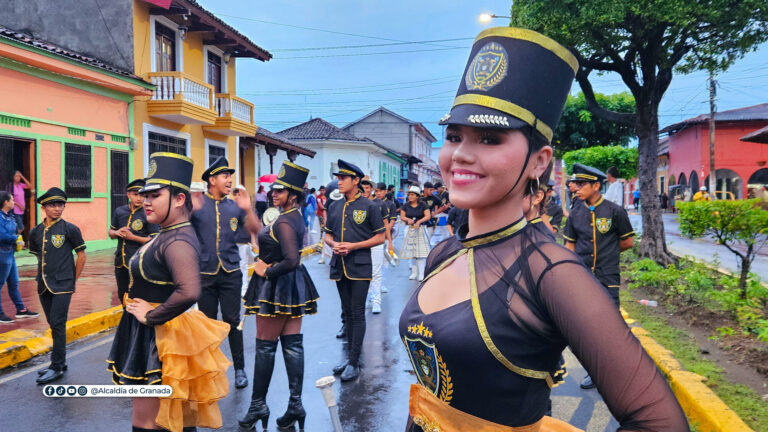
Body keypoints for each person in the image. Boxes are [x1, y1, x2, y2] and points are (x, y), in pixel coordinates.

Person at [400, 27, 688, 431]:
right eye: (453, 136)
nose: (461, 154)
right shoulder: (445, 253)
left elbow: (660, 422)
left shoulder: (551, 272)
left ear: (539, 161)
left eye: (489, 138)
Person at [107, 153, 231, 432]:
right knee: (172, 419)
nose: (146, 201)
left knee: (148, 423)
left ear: (178, 199)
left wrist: (152, 316)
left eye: (155, 195)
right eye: (145, 195)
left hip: (161, 338)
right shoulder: (167, 231)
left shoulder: (177, 240)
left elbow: (189, 291)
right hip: (156, 334)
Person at [240, 161, 319, 431]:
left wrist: (265, 271)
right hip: (291, 287)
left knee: (265, 346)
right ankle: (295, 406)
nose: (275, 193)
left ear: (293, 194)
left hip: (277, 286)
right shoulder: (294, 216)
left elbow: (292, 259)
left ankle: (257, 405)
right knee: (292, 345)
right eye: (274, 189)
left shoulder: (285, 220)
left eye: (281, 190)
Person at [563, 163, 636, 390]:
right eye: (577, 184)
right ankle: (595, 372)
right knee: (589, 328)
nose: (577, 188)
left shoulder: (615, 211)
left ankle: (620, 369)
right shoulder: (576, 214)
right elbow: (570, 246)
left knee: (612, 325)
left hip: (608, 277)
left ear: (596, 185)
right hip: (584, 279)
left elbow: (627, 242)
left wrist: (608, 255)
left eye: (582, 184)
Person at [190, 156, 261, 390]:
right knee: (208, 324)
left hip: (230, 271)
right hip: (205, 272)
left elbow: (254, 229)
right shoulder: (197, 205)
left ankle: (239, 369)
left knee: (232, 321)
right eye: (225, 176)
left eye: (230, 175)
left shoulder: (234, 206)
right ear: (212, 180)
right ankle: (210, 369)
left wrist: (248, 208)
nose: (230, 180)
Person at [323, 159, 385, 382]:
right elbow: (327, 234)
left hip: (360, 266)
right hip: (339, 265)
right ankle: (351, 358)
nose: (338, 182)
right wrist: (333, 245)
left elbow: (380, 237)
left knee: (357, 313)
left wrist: (353, 246)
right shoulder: (334, 206)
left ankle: (354, 362)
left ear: (356, 181)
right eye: (338, 178)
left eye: (343, 178)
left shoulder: (370, 206)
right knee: (347, 312)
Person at [29, 187, 86, 384]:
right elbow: (39, 256)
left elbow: (81, 255)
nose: (58, 208)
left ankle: (56, 366)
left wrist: (73, 279)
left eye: (61, 204)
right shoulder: (35, 232)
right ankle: (59, 362)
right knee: (53, 325)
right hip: (43, 284)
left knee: (58, 324)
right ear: (44, 207)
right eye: (53, 205)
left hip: (63, 284)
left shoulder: (70, 229)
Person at [109, 179, 158, 306]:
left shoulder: (149, 212)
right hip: (121, 263)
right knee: (122, 294)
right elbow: (110, 231)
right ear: (128, 195)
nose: (139, 198)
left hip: (140, 262)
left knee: (138, 294)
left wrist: (133, 237)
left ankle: (137, 323)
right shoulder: (119, 211)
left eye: (142, 195)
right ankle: (127, 321)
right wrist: (117, 233)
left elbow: (154, 239)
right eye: (135, 194)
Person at [0, 191, 38, 323]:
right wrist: (15, 239)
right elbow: (1, 235)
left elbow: (14, 231)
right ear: (5, 202)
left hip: (10, 253)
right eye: (11, 199)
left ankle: (21, 310)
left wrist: (16, 239)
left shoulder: (9, 216)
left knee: (14, 283)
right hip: (2, 253)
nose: (13, 202)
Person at [369, 182, 393, 314]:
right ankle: (369, 297)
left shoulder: (381, 204)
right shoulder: (356, 204)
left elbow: (386, 225)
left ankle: (376, 301)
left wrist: (389, 242)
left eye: (368, 188)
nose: (366, 190)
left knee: (376, 272)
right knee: (365, 273)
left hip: (378, 242)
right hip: (362, 244)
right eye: (363, 188)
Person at [400, 185, 431, 281]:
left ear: (417, 196)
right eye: (409, 195)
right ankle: (414, 272)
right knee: (411, 252)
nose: (410, 196)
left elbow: (428, 216)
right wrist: (408, 219)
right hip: (409, 229)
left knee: (420, 253)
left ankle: (421, 273)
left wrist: (419, 221)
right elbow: (402, 216)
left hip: (420, 229)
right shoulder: (406, 205)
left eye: (412, 195)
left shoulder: (423, 205)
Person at [12, 170, 33, 236]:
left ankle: (15, 243)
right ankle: (12, 239)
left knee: (17, 227)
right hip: (15, 210)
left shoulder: (21, 185)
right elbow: (9, 199)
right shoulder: (10, 186)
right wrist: (19, 205)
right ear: (12, 177)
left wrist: (22, 176)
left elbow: (30, 186)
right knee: (21, 228)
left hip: (21, 211)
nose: (18, 178)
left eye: (19, 176)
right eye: (16, 176)